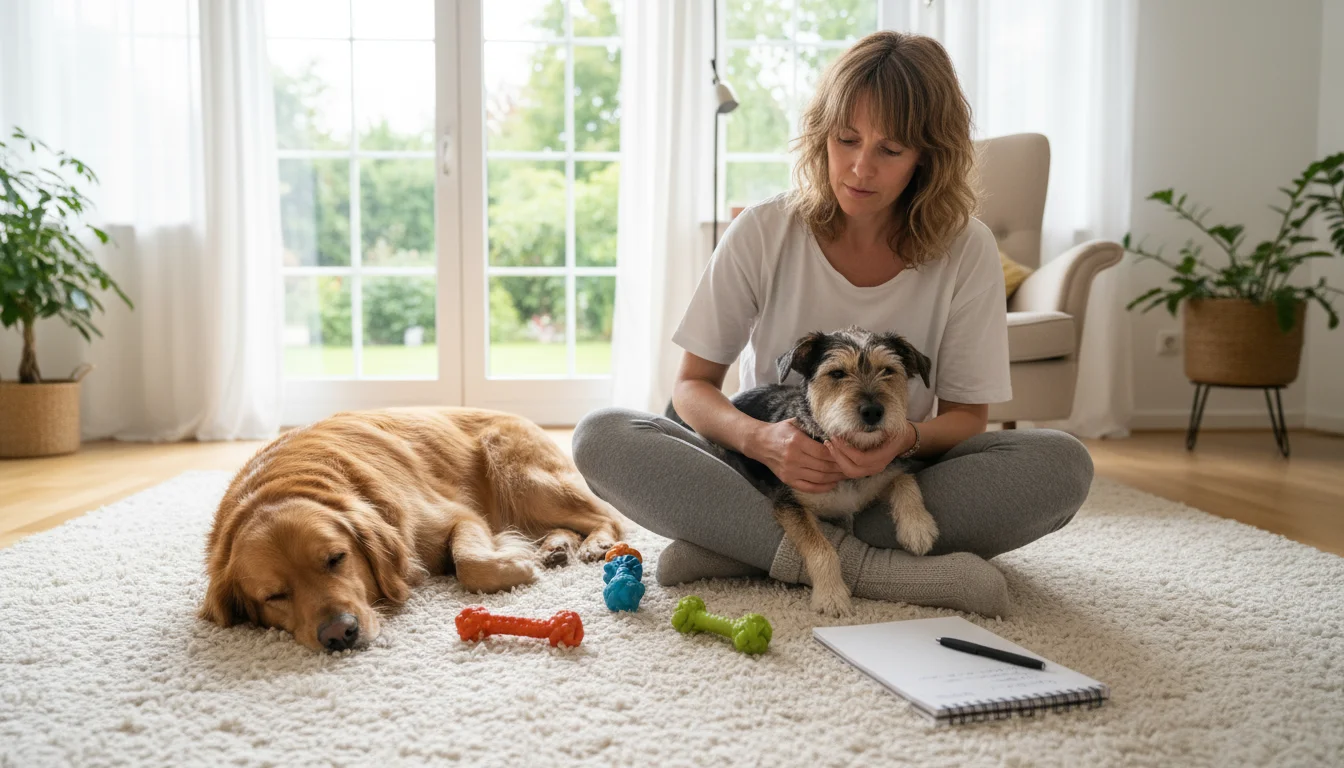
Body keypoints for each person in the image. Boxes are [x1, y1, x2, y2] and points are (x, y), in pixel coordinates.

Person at [572, 31, 1093, 618]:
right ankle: (880, 568)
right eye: (846, 139)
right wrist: (761, 440)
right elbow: (691, 387)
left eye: (890, 149)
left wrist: (903, 441)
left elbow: (969, 417)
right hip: (768, 477)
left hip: (894, 479)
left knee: (1063, 465)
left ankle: (744, 549)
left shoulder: (966, 247)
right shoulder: (763, 231)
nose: (860, 167)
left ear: (927, 156)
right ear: (822, 133)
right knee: (601, 436)